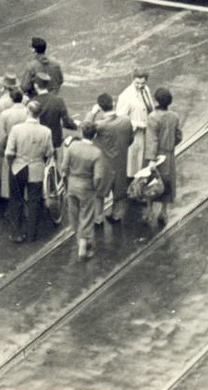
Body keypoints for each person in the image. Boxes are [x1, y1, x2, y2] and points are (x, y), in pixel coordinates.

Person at [3, 98, 54, 244]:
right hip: (36, 168)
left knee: (16, 201)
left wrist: (12, 164)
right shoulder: (46, 131)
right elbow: (49, 152)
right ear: (40, 114)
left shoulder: (16, 129)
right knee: (34, 202)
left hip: (18, 167)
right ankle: (32, 234)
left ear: (27, 112)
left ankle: (16, 233)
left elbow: (9, 152)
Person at [62, 122, 105, 260]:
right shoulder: (96, 153)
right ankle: (83, 243)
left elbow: (64, 166)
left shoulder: (73, 147)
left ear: (82, 132)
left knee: (73, 213)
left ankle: (78, 237)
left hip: (72, 183)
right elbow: (98, 176)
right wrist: (95, 187)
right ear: (95, 135)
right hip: (87, 185)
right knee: (86, 215)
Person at [90, 92, 133, 225]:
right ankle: (116, 215)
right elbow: (130, 139)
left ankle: (98, 218)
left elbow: (86, 128)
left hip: (104, 163)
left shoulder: (100, 125)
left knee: (99, 192)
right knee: (119, 191)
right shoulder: (126, 121)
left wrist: (92, 113)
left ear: (100, 108)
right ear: (113, 104)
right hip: (121, 160)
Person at [143, 87, 182, 228]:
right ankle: (163, 211)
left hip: (155, 154)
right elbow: (178, 136)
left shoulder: (153, 117)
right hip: (168, 154)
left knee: (150, 182)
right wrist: (171, 145)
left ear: (156, 100)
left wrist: (151, 159)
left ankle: (149, 209)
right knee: (167, 183)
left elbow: (152, 139)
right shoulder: (174, 116)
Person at [116, 68, 155, 176]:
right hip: (135, 134)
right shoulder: (126, 96)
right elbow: (121, 118)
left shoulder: (146, 89)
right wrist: (136, 125)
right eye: (137, 83)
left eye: (142, 83)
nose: (140, 86)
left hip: (147, 132)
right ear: (133, 80)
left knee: (144, 163)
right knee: (133, 166)